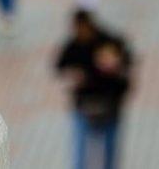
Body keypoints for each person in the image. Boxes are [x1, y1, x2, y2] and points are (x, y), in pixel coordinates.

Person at [56, 10, 134, 169]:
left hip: (109, 104)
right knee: (80, 154)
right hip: (83, 106)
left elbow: (127, 60)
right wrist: (72, 74)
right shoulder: (73, 46)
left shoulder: (108, 42)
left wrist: (115, 64)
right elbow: (59, 67)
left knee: (110, 153)